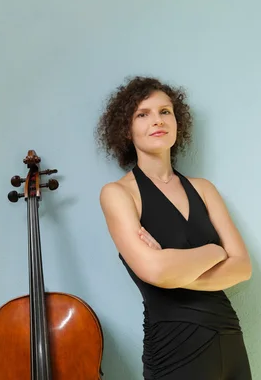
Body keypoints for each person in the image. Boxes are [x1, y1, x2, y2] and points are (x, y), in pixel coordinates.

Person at [95, 76, 253, 379]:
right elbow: (154, 272)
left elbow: (243, 268)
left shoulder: (204, 189)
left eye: (165, 111)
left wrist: (173, 271)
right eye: (143, 114)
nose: (157, 120)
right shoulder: (118, 194)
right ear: (126, 130)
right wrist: (215, 250)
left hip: (229, 338)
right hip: (173, 348)